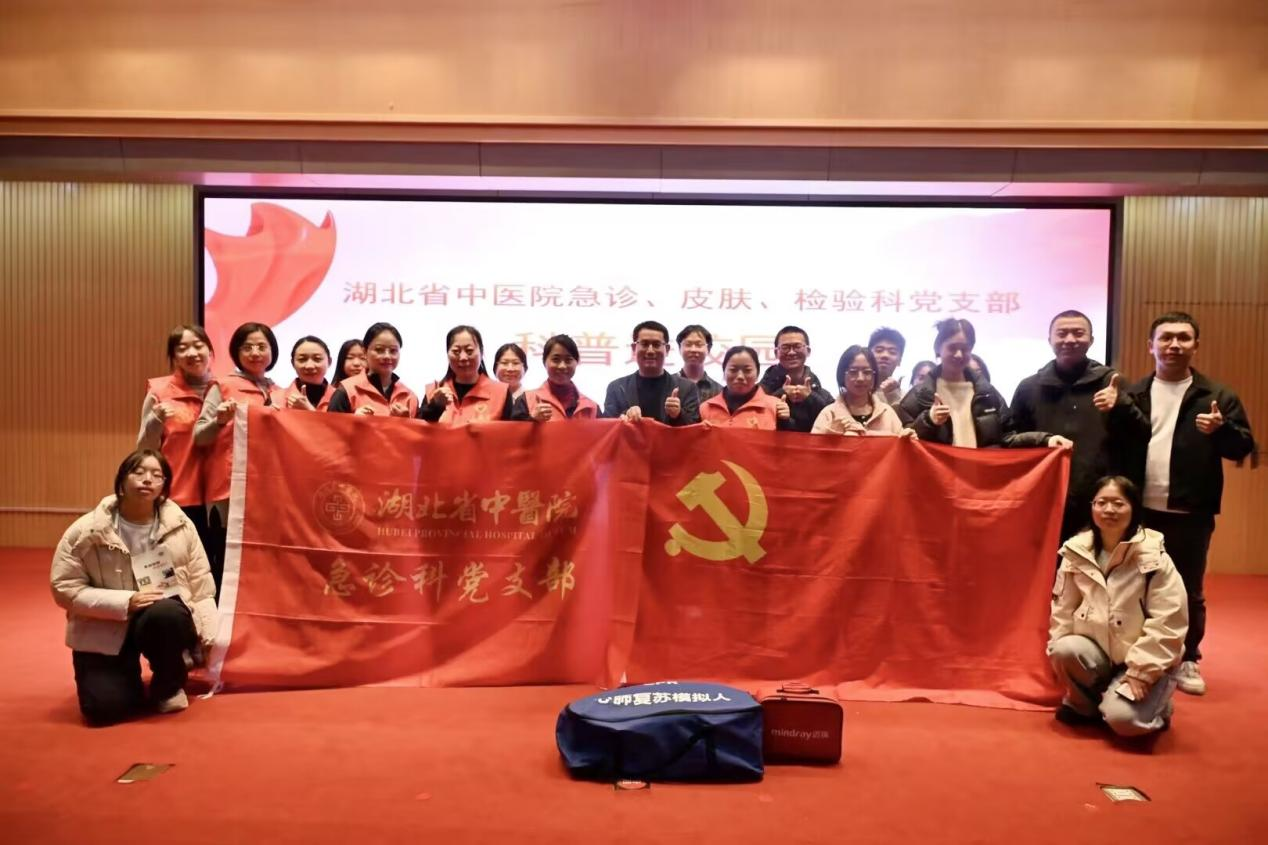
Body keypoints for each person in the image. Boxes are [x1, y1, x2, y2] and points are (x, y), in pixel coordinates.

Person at [1124, 311, 1256, 696]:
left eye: (1183, 338)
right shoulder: (1134, 394)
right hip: (1138, 509)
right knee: (1135, 585)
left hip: (1191, 510)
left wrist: (1221, 430)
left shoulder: (1217, 396)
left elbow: (1243, 448)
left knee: (1187, 589)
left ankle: (1187, 658)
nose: (1174, 345)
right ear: (1150, 346)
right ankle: (1137, 655)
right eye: (1165, 338)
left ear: (1196, 346)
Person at [50, 449, 218, 726]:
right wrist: (125, 602)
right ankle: (124, 676)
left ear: (164, 485)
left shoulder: (180, 525)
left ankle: (168, 682)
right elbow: (64, 587)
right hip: (104, 624)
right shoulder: (87, 530)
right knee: (103, 710)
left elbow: (200, 584)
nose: (147, 479)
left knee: (168, 614)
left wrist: (210, 639)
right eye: (138, 472)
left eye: (156, 475)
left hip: (159, 618)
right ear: (122, 479)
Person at [1047, 476, 1188, 737]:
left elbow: (1169, 622)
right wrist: (1058, 660)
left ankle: (1159, 706)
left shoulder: (1154, 557)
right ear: (1092, 507)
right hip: (1100, 653)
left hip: (1144, 658)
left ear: (1133, 508)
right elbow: (1062, 611)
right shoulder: (1075, 552)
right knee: (1064, 648)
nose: (1109, 510)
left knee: (1124, 722)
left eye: (1118, 503)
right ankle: (1084, 706)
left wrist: (1141, 672)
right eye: (1101, 503)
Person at [1009, 310, 1150, 543]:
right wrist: (1043, 439)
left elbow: (1142, 435)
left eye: (1078, 333)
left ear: (1091, 340)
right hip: (1045, 496)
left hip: (1101, 500)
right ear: (1049, 340)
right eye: (1062, 333)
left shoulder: (1112, 383)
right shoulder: (1029, 387)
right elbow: (1010, 439)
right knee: (1048, 560)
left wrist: (1122, 404)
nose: (1070, 340)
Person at [193, 322, 285, 597]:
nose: (255, 352)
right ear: (236, 351)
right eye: (247, 347)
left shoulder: (280, 392)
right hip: (228, 487)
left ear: (272, 351)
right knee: (226, 557)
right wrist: (220, 421)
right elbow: (199, 436)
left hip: (269, 489)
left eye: (261, 346)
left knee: (263, 557)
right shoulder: (222, 386)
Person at [898, 318, 1070, 450]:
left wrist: (1046, 440)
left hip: (980, 479)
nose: (959, 354)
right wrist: (929, 420)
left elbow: (1007, 437)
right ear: (938, 348)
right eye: (952, 348)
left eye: (965, 348)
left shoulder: (987, 393)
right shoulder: (919, 395)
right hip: (937, 479)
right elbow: (905, 441)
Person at [136, 325, 215, 556]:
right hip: (179, 493)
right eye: (183, 348)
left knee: (215, 565)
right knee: (176, 562)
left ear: (210, 351)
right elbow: (144, 449)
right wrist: (155, 421)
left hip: (219, 497)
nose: (192, 353)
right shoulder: (160, 391)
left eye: (198, 345)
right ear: (174, 356)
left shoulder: (225, 389)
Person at [603, 320, 701, 424]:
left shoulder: (687, 388)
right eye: (644, 344)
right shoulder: (617, 388)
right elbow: (607, 427)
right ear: (634, 348)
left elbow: (696, 429)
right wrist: (623, 417)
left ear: (667, 349)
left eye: (656, 344)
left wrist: (678, 414)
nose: (650, 350)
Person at [419, 325, 514, 425]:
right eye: (456, 351)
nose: (463, 357)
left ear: (481, 353)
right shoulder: (434, 391)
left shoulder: (501, 392)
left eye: (469, 351)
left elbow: (510, 432)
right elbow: (419, 429)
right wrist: (435, 407)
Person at [327, 323, 419, 417]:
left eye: (393, 351)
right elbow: (329, 426)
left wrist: (407, 421)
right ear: (365, 352)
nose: (387, 356)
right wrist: (353, 421)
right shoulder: (346, 391)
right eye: (379, 350)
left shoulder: (409, 397)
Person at [812, 346, 906, 436]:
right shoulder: (829, 414)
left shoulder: (887, 413)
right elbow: (814, 446)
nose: (860, 378)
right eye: (853, 372)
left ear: (874, 376)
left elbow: (901, 444)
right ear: (842, 375)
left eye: (867, 372)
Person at [758, 325, 832, 433]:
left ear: (808, 351)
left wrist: (811, 398)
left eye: (797, 346)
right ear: (776, 352)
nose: (791, 352)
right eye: (785, 347)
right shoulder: (761, 390)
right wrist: (780, 394)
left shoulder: (820, 392)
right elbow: (752, 417)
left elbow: (832, 423)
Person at [699, 346, 792, 430]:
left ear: (757, 373)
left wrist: (785, 422)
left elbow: (788, 441)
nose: (740, 376)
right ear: (724, 372)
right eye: (733, 370)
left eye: (747, 370)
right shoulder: (705, 408)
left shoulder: (775, 407)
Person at [511, 335, 600, 421]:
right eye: (556, 359)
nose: (562, 366)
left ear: (576, 362)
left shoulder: (591, 407)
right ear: (544, 362)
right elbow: (512, 431)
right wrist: (531, 420)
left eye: (568, 360)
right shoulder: (526, 401)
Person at [285, 335, 335, 411]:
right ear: (292, 363)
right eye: (302, 359)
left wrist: (309, 410)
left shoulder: (343, 398)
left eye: (317, 359)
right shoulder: (275, 398)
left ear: (329, 361)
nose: (309, 366)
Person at [676, 324, 724, 404]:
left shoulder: (719, 391)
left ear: (708, 349)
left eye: (699, 345)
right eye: (688, 344)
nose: (693, 349)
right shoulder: (668, 384)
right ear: (679, 349)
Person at [868, 327, 906, 407]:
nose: (885, 355)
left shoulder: (905, 398)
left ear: (900, 360)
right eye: (879, 350)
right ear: (868, 355)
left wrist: (893, 397)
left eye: (892, 352)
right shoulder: (854, 391)